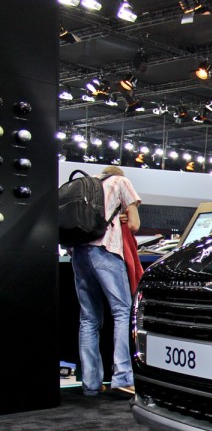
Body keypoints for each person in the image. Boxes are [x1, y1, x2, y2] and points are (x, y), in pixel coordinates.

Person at [72, 165, 142, 398]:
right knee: (123, 311)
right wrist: (124, 215)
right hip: (106, 251)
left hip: (79, 253)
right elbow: (134, 225)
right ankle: (122, 378)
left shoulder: (85, 185)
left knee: (89, 318)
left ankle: (90, 383)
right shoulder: (121, 182)